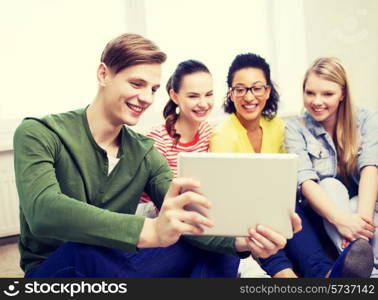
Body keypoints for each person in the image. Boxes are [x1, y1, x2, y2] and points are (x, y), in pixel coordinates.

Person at [13, 33, 299, 278]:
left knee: (219, 252)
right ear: (103, 74)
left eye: (152, 89)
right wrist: (148, 230)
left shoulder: (144, 152)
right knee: (83, 250)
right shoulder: (38, 132)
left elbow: (188, 215)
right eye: (136, 84)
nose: (147, 98)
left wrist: (242, 240)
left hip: (117, 262)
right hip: (57, 268)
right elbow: (43, 211)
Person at [210, 53, 374, 278]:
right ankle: (286, 276)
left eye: (257, 88)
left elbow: (289, 179)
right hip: (246, 213)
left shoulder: (277, 126)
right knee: (267, 213)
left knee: (288, 208)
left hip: (284, 207)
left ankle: (326, 274)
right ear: (231, 93)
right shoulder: (222, 135)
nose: (249, 97)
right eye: (240, 89)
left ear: (267, 91)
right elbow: (227, 194)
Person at [285, 57, 377, 277]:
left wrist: (361, 227)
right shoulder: (295, 128)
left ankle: (368, 267)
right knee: (329, 185)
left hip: (364, 211)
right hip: (327, 213)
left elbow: (370, 167)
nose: (317, 101)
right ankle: (354, 261)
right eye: (310, 93)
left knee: (359, 202)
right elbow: (305, 180)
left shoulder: (366, 119)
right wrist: (340, 219)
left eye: (327, 94)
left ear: (343, 94)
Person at [136, 59, 214, 217]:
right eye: (193, 96)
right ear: (175, 96)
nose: (203, 103)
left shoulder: (209, 132)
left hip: (195, 212)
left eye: (209, 94)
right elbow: (160, 202)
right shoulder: (157, 140)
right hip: (155, 215)